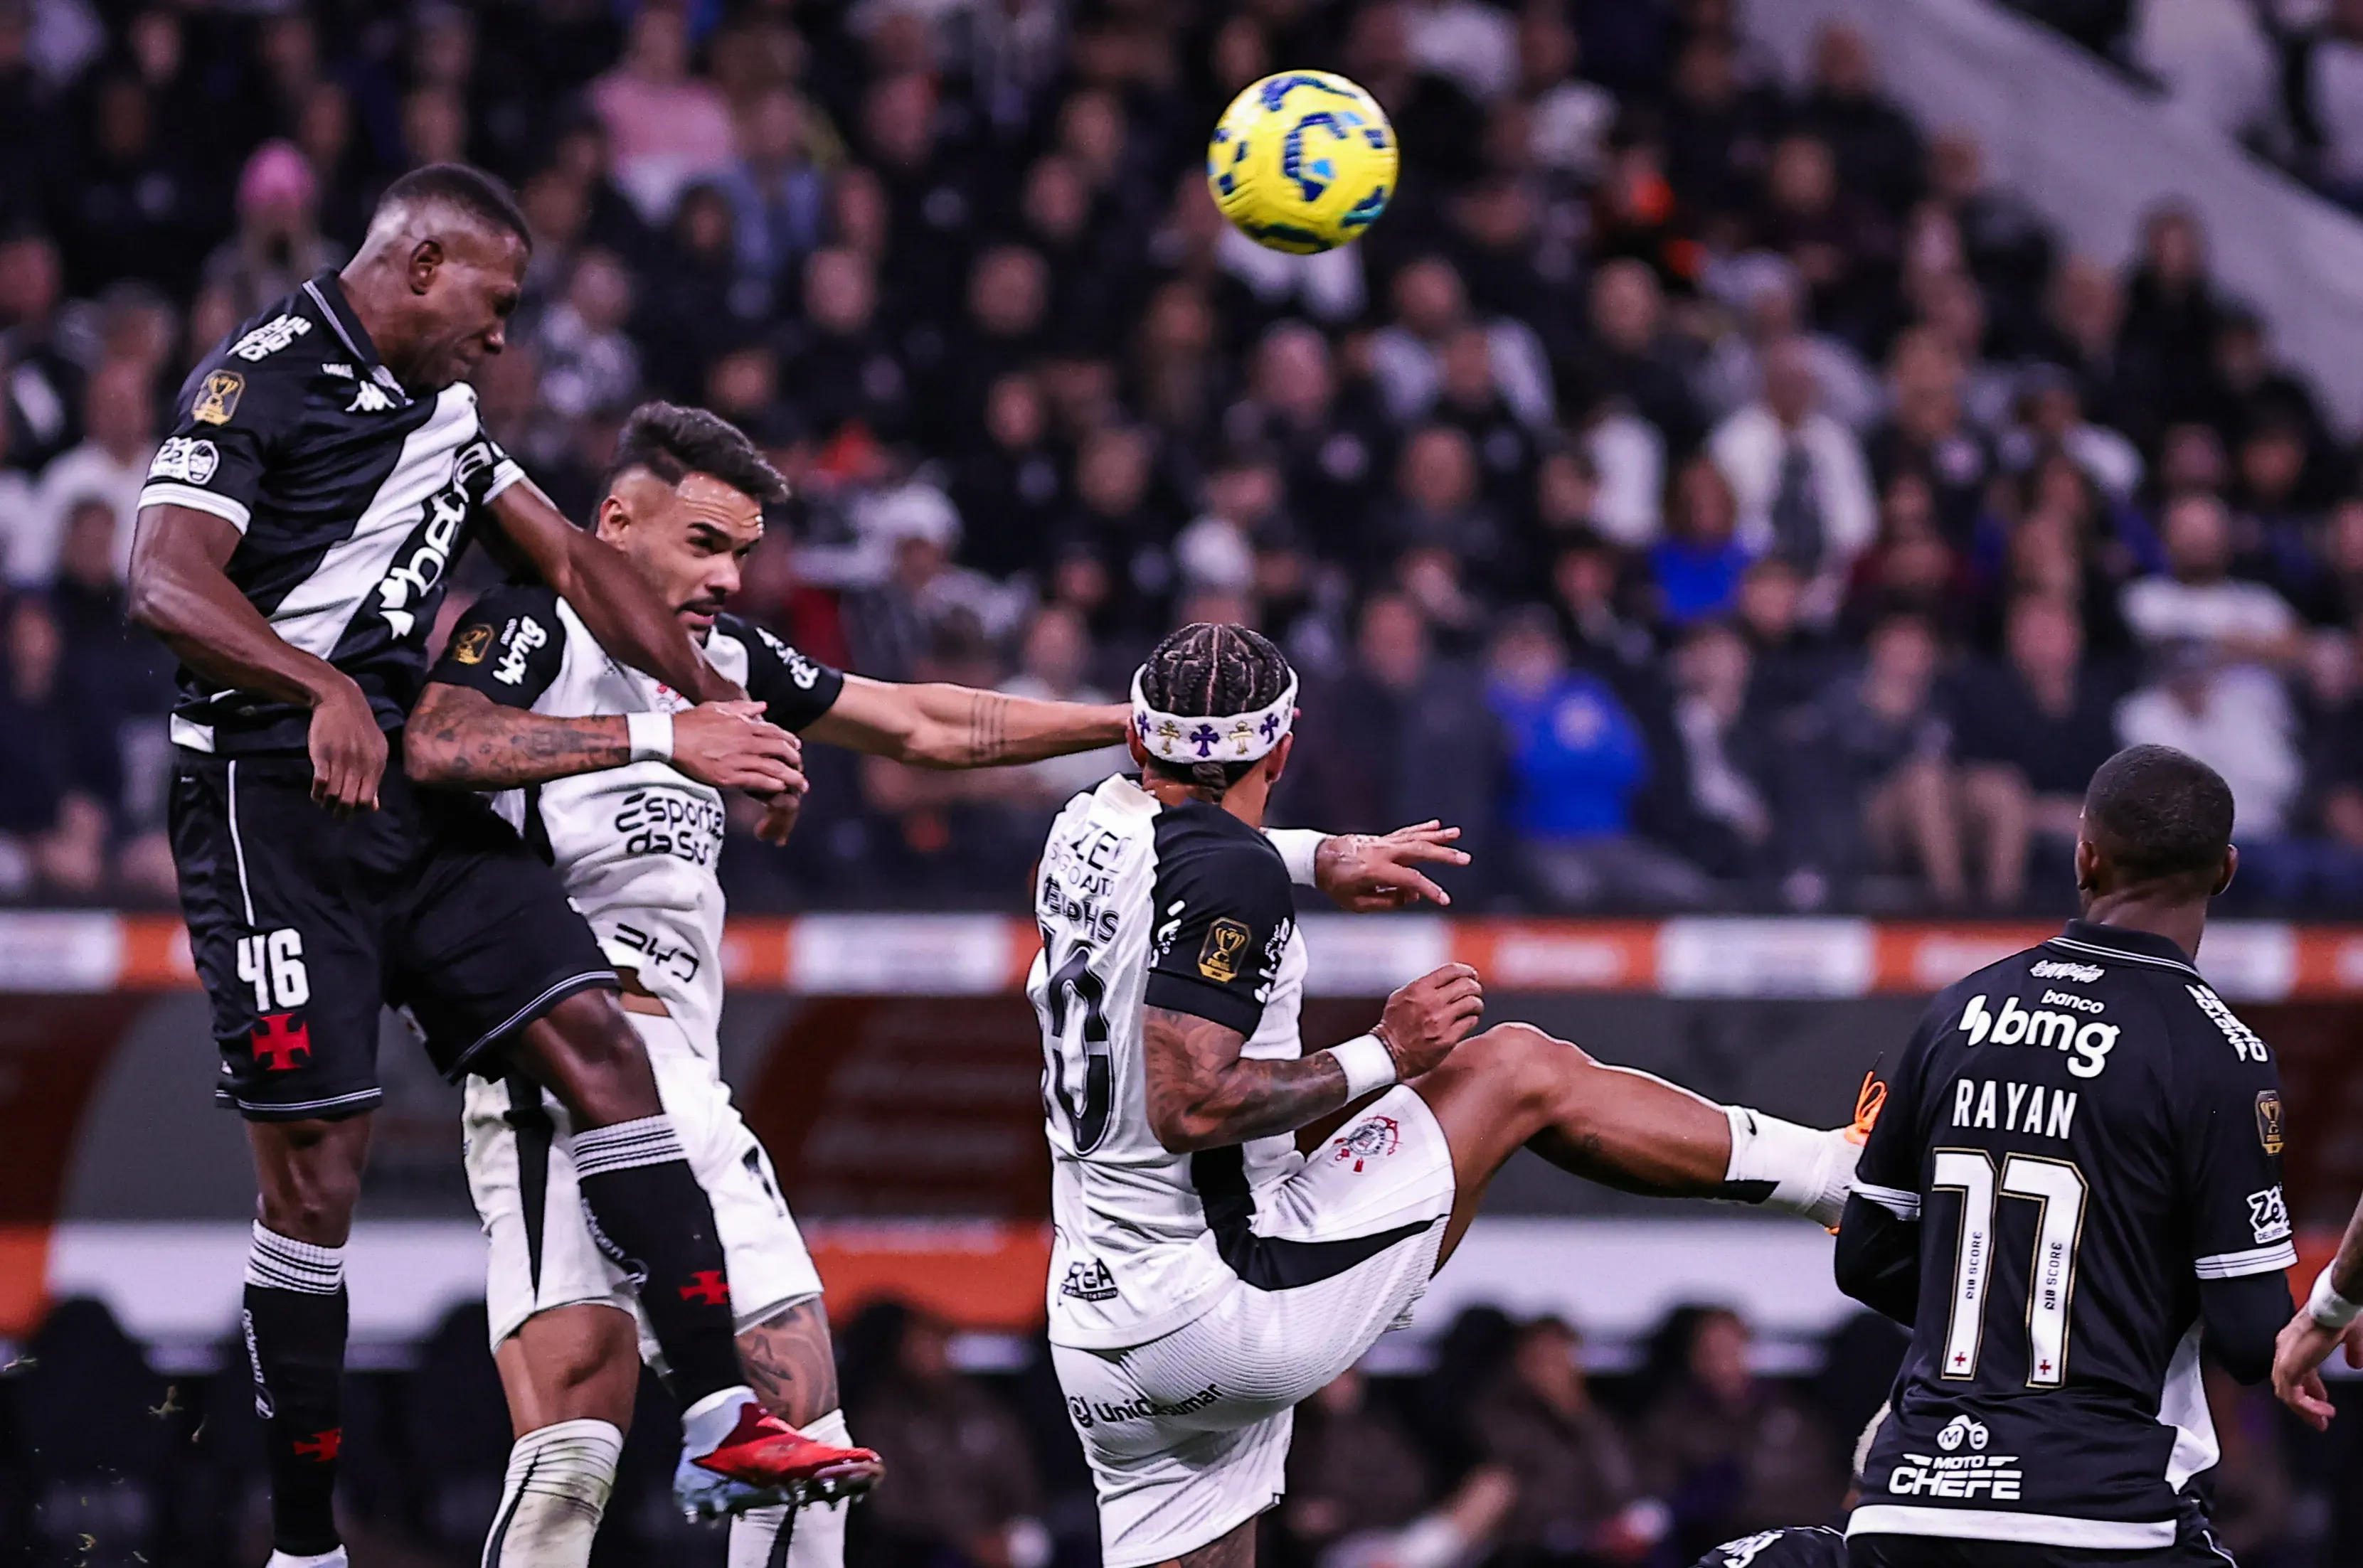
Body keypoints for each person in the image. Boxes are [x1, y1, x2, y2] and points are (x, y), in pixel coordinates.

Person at [410, 405, 1476, 1568]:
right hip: (570, 1068)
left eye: (744, 553)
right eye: (703, 543)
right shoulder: (537, 624)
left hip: (693, 1089)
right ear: (615, 524)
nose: (727, 578)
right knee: (572, 1458)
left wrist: (1146, 729)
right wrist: (666, 744)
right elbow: (440, 743)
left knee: (806, 1456)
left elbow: (923, 723)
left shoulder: (725, 665)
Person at [124, 165, 861, 1566]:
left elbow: (579, 566)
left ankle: (719, 1409)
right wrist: (315, 688)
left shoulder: (451, 418)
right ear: (421, 266)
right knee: (315, 1180)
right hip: (265, 808)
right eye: (496, 300)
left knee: (601, 1037)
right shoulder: (260, 380)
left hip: (405, 801)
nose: (504, 334)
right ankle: (304, 1544)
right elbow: (161, 578)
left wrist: (712, 704)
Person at [1036, 623, 1871, 1568]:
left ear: (1137, 738)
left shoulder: (1082, 827)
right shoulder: (1236, 873)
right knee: (1513, 1069)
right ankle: (1836, 1179)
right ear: (1283, 746)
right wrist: (1386, 1051)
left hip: (1097, 1328)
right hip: (1225, 1299)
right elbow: (1187, 1102)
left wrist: (1318, 855)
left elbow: (1185, 856)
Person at [1835, 744, 2293, 1564]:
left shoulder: (1958, 1011)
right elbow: (2252, 1337)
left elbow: (1864, 1258)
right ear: (2225, 871)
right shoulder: (2219, 1053)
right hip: (2099, 1514)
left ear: (2085, 855)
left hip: (1909, 1502)